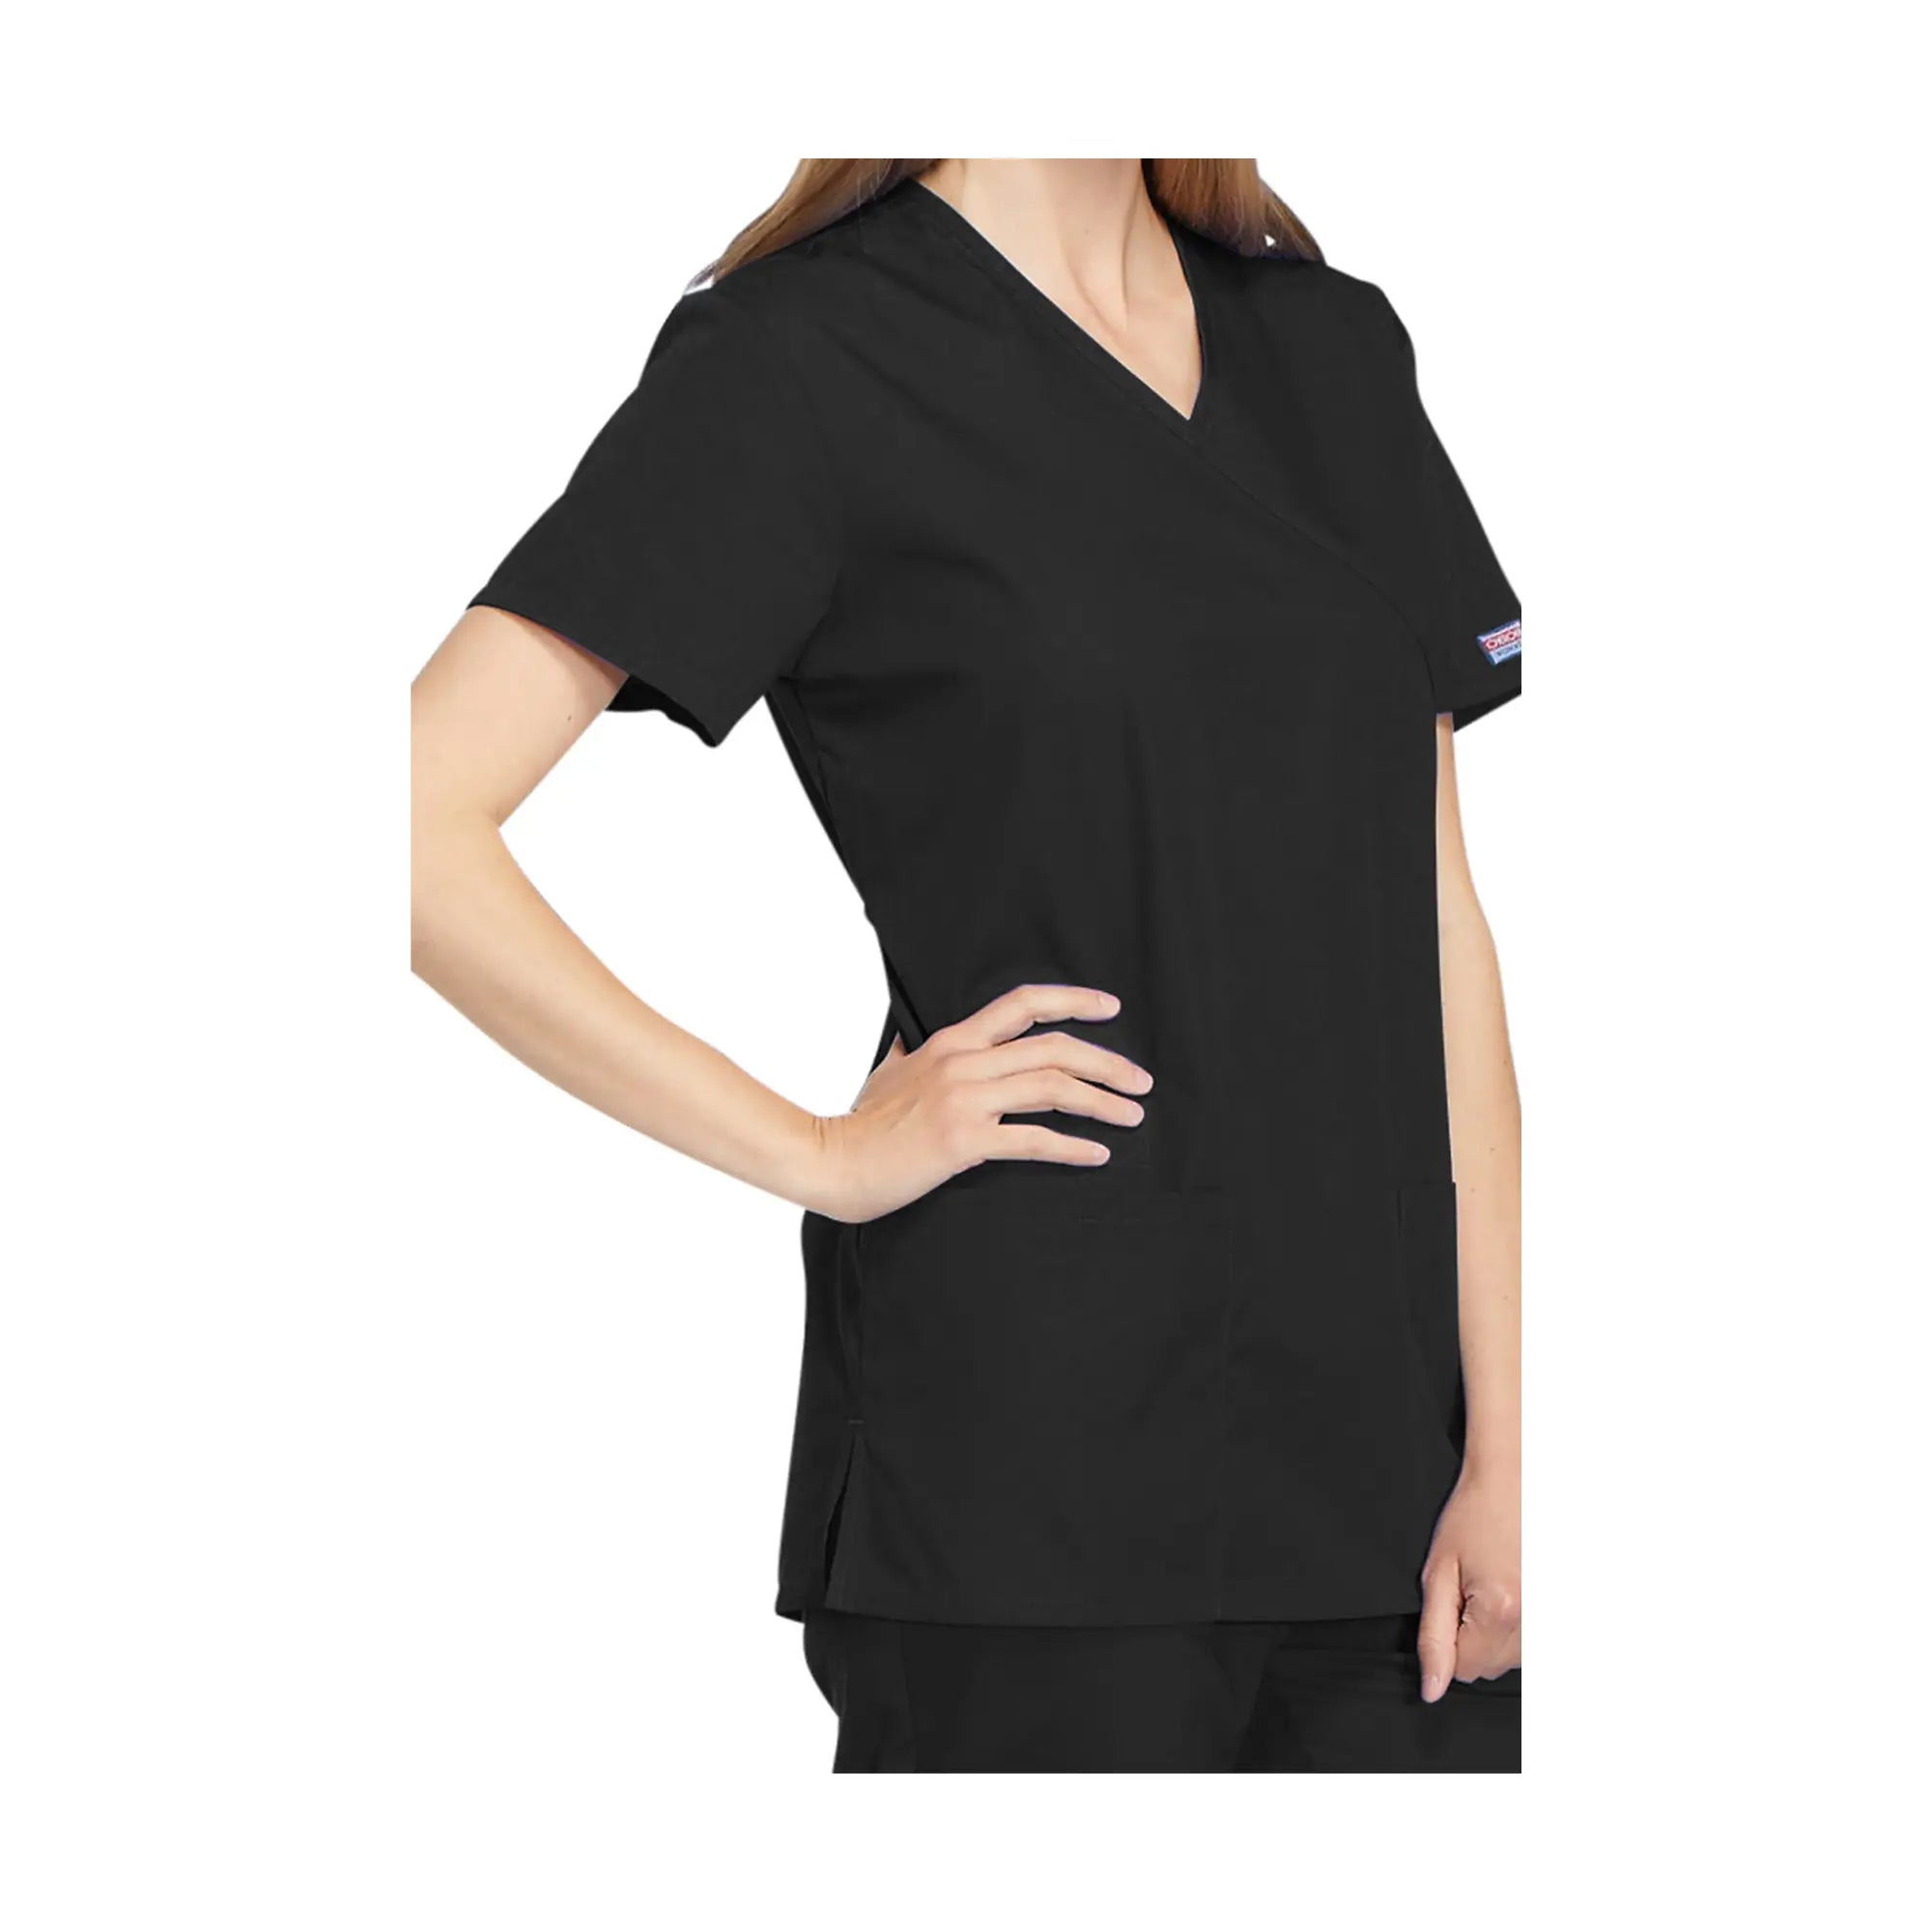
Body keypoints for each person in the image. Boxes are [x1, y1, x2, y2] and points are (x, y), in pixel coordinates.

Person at [411, 157, 1523, 1773]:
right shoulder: (800, 358)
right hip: (1032, 1489)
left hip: (1395, 1492)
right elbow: (409, 825)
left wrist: (1513, 1441)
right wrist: (816, 1150)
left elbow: (1438, 920)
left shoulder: (1332, 347)